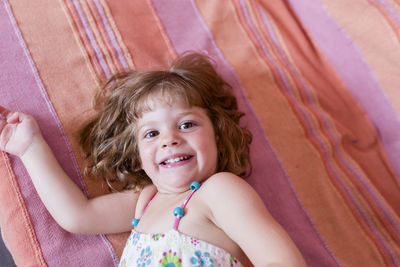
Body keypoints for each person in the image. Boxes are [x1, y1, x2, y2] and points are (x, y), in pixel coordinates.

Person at [0, 52, 306, 266]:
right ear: (137, 155)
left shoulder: (220, 191)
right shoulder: (144, 201)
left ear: (217, 133)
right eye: (151, 134)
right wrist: (29, 148)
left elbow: (281, 261)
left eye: (187, 124)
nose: (169, 139)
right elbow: (78, 216)